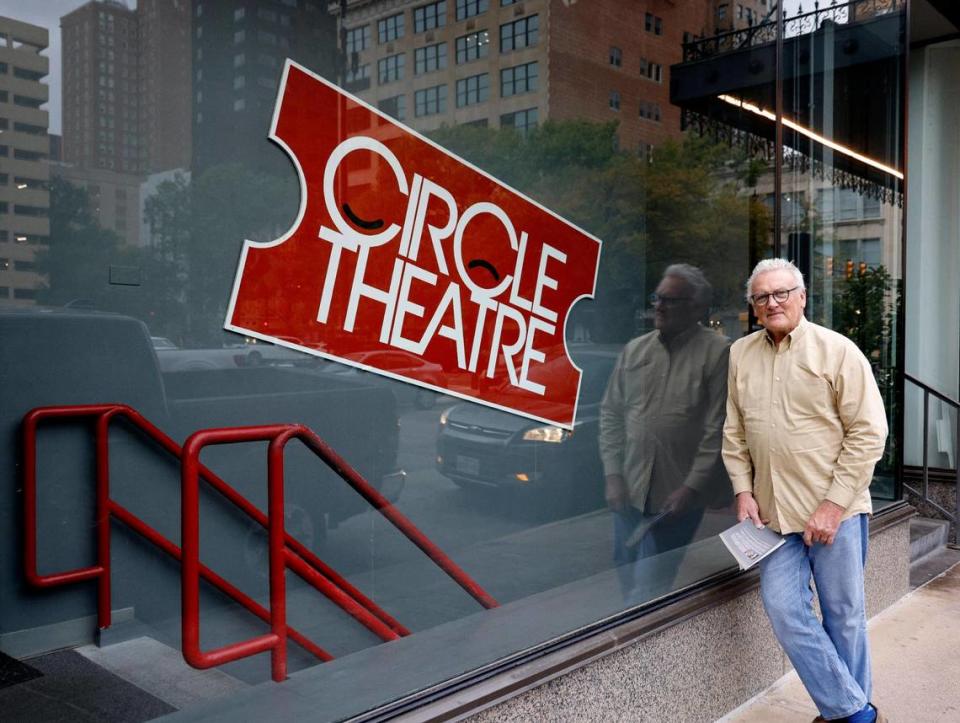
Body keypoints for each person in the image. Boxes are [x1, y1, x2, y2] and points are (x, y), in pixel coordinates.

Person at [722, 258, 888, 723]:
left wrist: (833, 505)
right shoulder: (740, 354)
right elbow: (734, 432)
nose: (772, 303)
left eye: (781, 293)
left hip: (833, 512)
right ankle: (855, 712)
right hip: (771, 518)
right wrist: (742, 489)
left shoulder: (837, 351)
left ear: (801, 296)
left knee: (844, 617)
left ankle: (845, 714)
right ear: (753, 307)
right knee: (784, 611)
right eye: (762, 297)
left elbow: (868, 433)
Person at [599, 264, 730, 598]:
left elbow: (718, 429)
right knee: (625, 567)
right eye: (657, 297)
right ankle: (631, 629)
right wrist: (613, 475)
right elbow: (611, 414)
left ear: (696, 308)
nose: (659, 306)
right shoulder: (635, 350)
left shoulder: (717, 353)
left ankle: (639, 640)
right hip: (630, 488)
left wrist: (692, 487)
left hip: (678, 497)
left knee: (652, 582)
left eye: (671, 300)